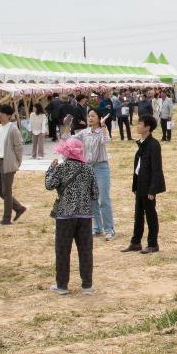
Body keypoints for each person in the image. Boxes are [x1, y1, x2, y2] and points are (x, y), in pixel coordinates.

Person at [45, 137, 99, 294]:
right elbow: (95, 194)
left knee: (63, 250)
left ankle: (62, 285)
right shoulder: (88, 169)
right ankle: (87, 285)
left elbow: (49, 185)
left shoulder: (61, 168)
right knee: (85, 251)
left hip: (64, 216)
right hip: (85, 216)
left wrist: (51, 168)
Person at [124, 115, 165, 253]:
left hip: (148, 186)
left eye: (140, 124)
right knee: (138, 215)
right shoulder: (141, 143)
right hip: (140, 184)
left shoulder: (153, 145)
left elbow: (156, 169)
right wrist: (135, 186)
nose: (138, 126)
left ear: (147, 127)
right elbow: (138, 167)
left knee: (151, 215)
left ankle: (153, 244)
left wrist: (152, 190)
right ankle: (136, 242)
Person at [79, 110, 114, 241]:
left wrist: (104, 126)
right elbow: (68, 139)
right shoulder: (84, 132)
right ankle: (97, 227)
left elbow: (106, 140)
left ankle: (109, 229)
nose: (90, 118)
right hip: (88, 167)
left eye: (93, 116)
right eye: (89, 116)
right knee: (92, 199)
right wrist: (66, 125)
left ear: (99, 118)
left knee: (103, 199)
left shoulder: (102, 131)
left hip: (101, 167)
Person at [0, 104, 26, 226]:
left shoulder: (13, 129)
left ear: (8, 116)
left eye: (1, 113)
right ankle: (19, 208)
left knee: (7, 192)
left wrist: (17, 162)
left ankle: (6, 219)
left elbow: (19, 147)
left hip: (8, 163)